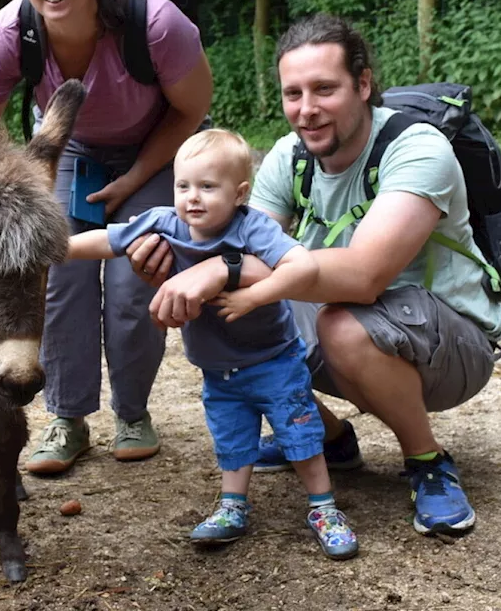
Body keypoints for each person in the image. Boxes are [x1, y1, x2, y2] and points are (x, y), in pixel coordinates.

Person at [127, 13, 501, 537]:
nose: (306, 110)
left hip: (450, 344)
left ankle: (427, 462)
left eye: (324, 89)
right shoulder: (290, 156)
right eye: (293, 93)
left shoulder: (417, 149)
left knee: (338, 323)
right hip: (355, 322)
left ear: (364, 84)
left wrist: (219, 268)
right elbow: (242, 250)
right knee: (232, 314)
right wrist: (179, 267)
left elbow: (363, 275)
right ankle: (327, 439)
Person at [0, 0, 213, 474]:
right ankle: (67, 418)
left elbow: (191, 109)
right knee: (56, 279)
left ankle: (134, 414)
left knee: (133, 278)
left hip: (154, 146)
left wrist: (138, 177)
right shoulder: (10, 32)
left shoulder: (156, 24)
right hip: (67, 150)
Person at [66, 129, 357, 558]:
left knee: (300, 436)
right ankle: (232, 506)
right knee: (233, 440)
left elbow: (303, 266)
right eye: (183, 186)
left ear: (239, 193)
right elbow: (108, 240)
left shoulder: (252, 228)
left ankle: (323, 508)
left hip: (273, 359)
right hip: (218, 368)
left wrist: (254, 294)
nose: (192, 198)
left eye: (207, 187)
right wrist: (53, 249)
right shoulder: (166, 223)